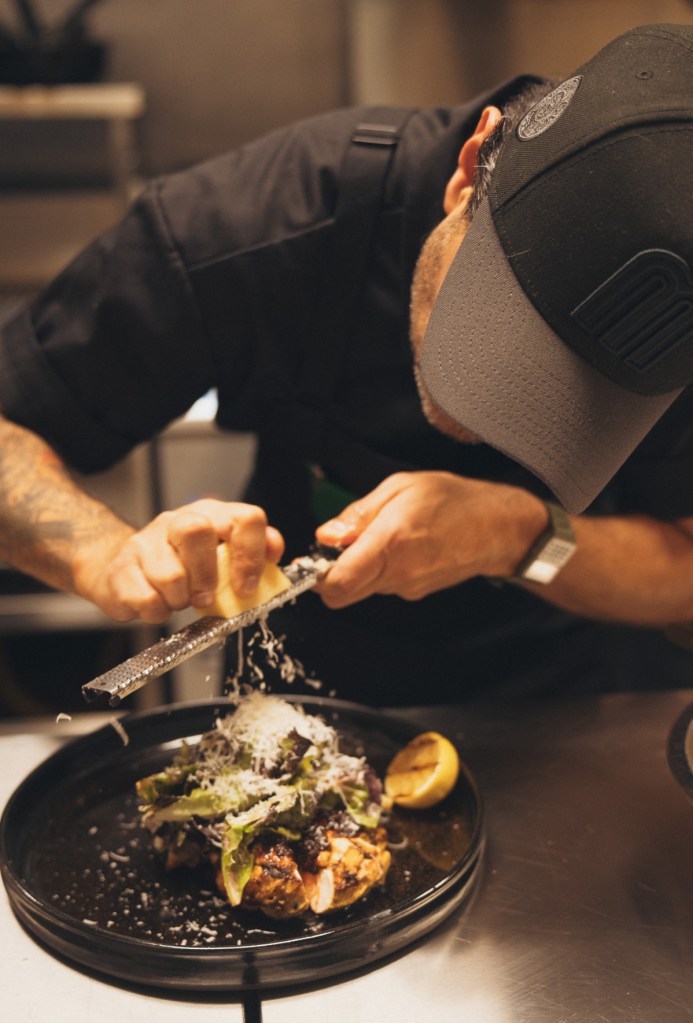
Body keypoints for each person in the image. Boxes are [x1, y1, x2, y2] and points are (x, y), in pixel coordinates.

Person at [0, 22, 693, 705]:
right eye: (500, 329)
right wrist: (104, 555)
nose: (494, 403)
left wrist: (519, 534)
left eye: (569, 389)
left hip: (567, 703)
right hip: (308, 698)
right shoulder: (273, 220)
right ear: (468, 171)